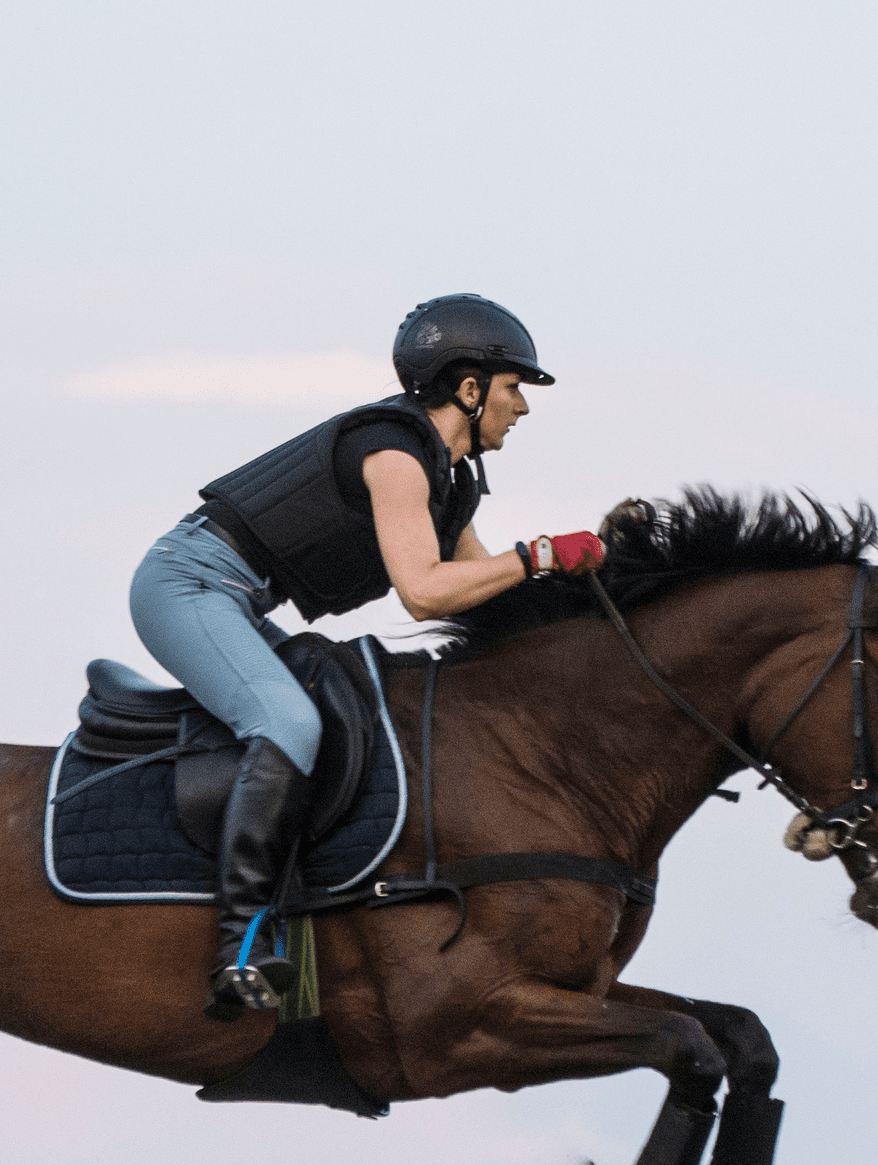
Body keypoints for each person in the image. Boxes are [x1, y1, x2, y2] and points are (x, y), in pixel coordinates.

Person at [130, 295, 615, 1020]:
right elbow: (424, 592)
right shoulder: (394, 451)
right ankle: (240, 943)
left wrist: (587, 583)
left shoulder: (450, 481)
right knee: (291, 725)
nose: (523, 408)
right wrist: (538, 554)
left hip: (230, 598)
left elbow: (480, 601)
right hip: (187, 585)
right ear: (470, 388)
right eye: (515, 388)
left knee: (336, 713)